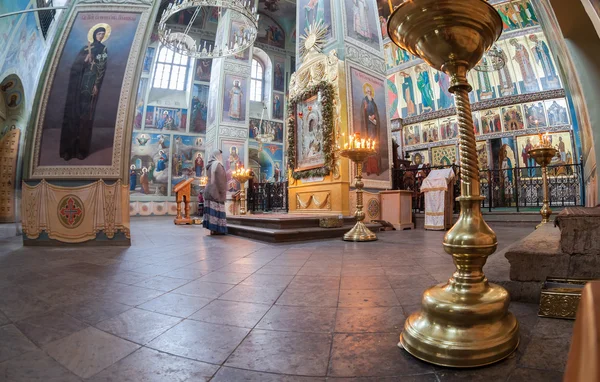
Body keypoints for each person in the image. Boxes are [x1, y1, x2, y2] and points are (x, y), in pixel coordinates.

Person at [60, 24, 109, 161]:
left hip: (90, 85)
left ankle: (81, 150)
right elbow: (75, 67)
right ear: (94, 34)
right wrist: (84, 60)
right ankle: (68, 150)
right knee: (73, 116)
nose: (101, 36)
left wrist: (97, 85)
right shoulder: (85, 49)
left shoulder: (103, 49)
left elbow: (102, 69)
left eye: (103, 34)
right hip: (78, 86)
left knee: (85, 118)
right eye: (99, 34)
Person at [203, 150, 228, 235]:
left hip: (209, 190)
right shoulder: (218, 165)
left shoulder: (209, 165)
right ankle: (218, 229)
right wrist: (223, 192)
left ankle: (212, 230)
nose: (221, 157)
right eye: (220, 155)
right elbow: (221, 180)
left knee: (211, 212)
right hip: (216, 191)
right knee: (217, 210)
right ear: (217, 156)